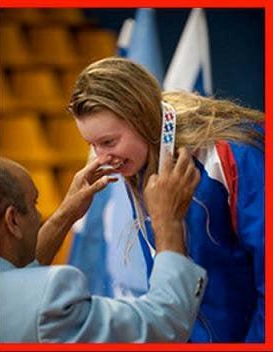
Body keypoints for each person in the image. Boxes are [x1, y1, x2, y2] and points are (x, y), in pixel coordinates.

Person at [68, 57, 264, 342]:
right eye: (93, 145)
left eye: (108, 142)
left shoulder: (231, 155)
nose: (101, 158)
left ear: (143, 117)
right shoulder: (139, 162)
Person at [0, 154, 207, 342]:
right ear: (12, 220)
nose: (40, 216)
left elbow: (17, 281)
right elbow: (163, 323)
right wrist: (167, 223)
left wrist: (65, 216)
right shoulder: (48, 297)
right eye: (34, 204)